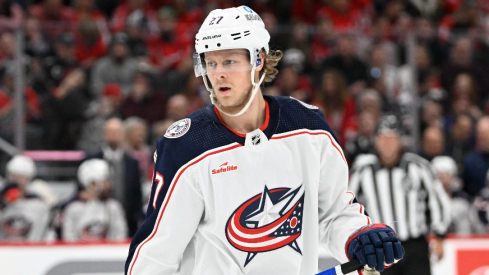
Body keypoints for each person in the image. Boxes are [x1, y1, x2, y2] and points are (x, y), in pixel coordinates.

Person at [126, 6, 404, 275]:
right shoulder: (187, 145)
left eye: (229, 61)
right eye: (210, 62)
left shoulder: (308, 128)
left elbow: (332, 212)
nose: (217, 73)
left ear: (258, 60)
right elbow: (157, 251)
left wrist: (357, 235)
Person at [349, 115, 451, 275]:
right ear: (375, 140)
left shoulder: (418, 167)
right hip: (379, 248)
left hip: (414, 246)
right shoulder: (363, 171)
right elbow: (350, 207)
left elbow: (438, 201)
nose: (387, 142)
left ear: (400, 140)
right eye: (383, 137)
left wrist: (439, 236)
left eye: (392, 138)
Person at [86, 117, 143, 237]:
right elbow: (82, 189)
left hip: (128, 223)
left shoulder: (132, 163)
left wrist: (138, 218)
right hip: (97, 223)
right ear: (104, 134)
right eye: (110, 132)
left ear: (123, 134)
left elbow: (137, 194)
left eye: (117, 132)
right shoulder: (91, 159)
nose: (113, 135)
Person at [62, 158, 127, 241]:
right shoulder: (73, 209)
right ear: (93, 184)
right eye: (105, 181)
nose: (109, 185)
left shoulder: (113, 206)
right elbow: (69, 239)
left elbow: (120, 236)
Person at [0, 155, 52, 242]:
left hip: (27, 250)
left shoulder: (38, 204)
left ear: (29, 179)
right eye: (14, 176)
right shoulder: (1, 198)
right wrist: (3, 203)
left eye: (22, 177)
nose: (17, 180)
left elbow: (38, 234)